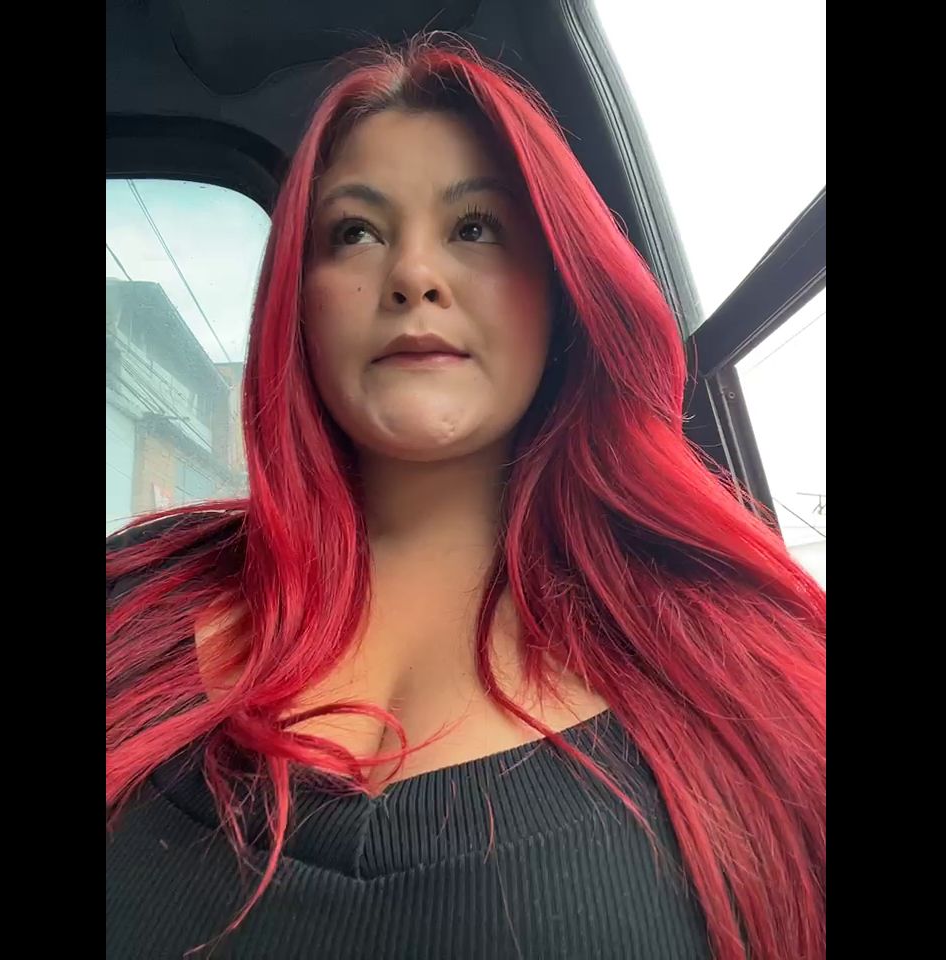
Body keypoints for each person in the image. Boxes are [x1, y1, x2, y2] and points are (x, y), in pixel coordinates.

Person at [106, 35, 825, 960]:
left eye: (477, 227)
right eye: (355, 232)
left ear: (561, 289)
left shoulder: (753, 672)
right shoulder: (135, 595)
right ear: (297, 301)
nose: (413, 275)